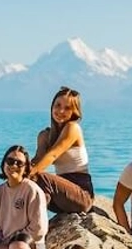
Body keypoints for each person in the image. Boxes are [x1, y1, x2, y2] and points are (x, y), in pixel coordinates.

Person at [28, 86, 95, 214]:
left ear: (74, 112)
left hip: (81, 195)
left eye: (67, 108)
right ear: (52, 106)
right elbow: (38, 161)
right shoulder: (45, 135)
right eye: (58, 105)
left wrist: (28, 175)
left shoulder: (72, 128)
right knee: (31, 184)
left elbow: (53, 155)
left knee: (39, 177)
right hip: (60, 196)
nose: (61, 111)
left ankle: (35, 228)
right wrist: (19, 174)